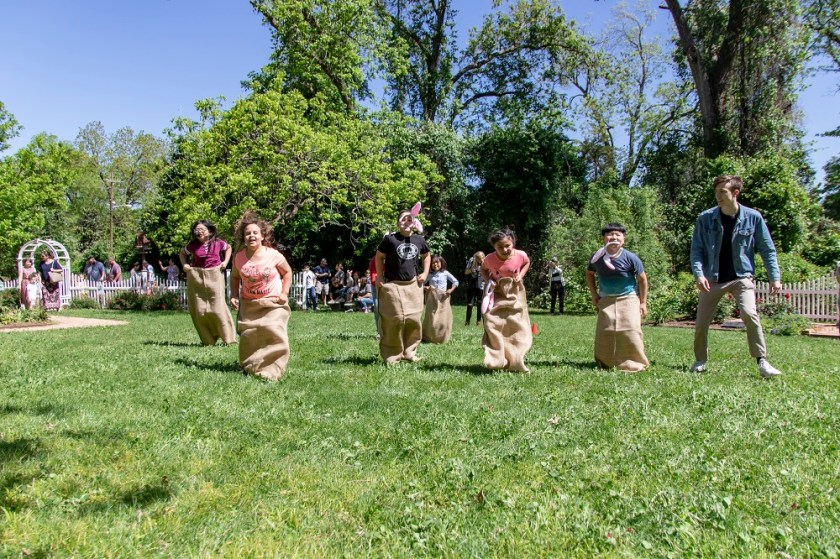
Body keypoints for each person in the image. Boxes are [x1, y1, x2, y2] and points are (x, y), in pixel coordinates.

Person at [690, 175, 783, 378]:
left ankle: (762, 362)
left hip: (741, 277)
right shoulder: (705, 218)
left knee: (750, 314)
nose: (718, 196)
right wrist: (699, 274)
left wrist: (774, 277)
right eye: (716, 192)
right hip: (712, 279)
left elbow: (767, 249)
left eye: (722, 192)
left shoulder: (753, 217)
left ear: (735, 193)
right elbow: (696, 250)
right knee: (701, 323)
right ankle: (700, 361)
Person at [230, 211, 293, 381]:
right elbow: (235, 277)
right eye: (247, 233)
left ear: (262, 235)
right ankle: (251, 366)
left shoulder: (273, 255)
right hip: (249, 304)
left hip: (273, 302)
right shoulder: (239, 258)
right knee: (249, 336)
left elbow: (287, 272)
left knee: (272, 330)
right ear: (243, 238)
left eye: (255, 233)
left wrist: (284, 293)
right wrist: (234, 295)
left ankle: (272, 370)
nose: (251, 236)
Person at [586, 223, 650, 373]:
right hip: (606, 299)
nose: (614, 237)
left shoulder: (631, 258)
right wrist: (594, 295)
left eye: (618, 235)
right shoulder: (597, 258)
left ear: (623, 239)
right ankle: (606, 363)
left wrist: (643, 303)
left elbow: (642, 280)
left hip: (628, 298)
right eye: (610, 234)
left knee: (632, 330)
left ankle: (635, 362)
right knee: (605, 331)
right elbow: (589, 274)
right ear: (603, 238)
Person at [375, 208, 430, 364]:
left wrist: (425, 273)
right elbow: (379, 256)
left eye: (409, 219)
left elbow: (426, 255)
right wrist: (379, 276)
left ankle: (409, 353)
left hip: (413, 286)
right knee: (395, 320)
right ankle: (392, 355)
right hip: (393, 285)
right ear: (398, 223)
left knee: (413, 320)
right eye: (403, 219)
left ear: (414, 222)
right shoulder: (390, 239)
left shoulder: (419, 240)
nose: (406, 222)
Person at [481, 228, 532, 372]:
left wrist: (520, 275)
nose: (504, 249)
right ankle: (496, 357)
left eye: (507, 245)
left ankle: (516, 357)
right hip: (497, 292)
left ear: (513, 243)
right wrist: (489, 281)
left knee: (515, 322)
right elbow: (483, 269)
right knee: (493, 321)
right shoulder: (489, 259)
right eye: (500, 247)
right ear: (494, 247)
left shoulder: (520, 255)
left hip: (514, 292)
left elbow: (527, 262)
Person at [180, 219, 236, 346]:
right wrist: (185, 265)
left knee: (218, 308)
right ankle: (208, 340)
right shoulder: (192, 246)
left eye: (202, 230)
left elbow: (229, 248)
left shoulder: (218, 243)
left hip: (215, 275)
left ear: (209, 231)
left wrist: (225, 262)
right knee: (199, 309)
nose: (199, 232)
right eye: (197, 230)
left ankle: (229, 339)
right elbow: (182, 253)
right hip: (197, 277)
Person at [422, 255, 459, 344]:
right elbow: (421, 283)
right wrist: (426, 288)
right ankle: (429, 336)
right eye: (433, 263)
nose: (435, 265)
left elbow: (455, 282)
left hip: (443, 298)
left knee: (443, 317)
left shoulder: (445, 273)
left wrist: (450, 290)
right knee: (432, 316)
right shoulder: (430, 275)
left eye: (437, 262)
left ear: (441, 263)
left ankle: (442, 336)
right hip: (432, 298)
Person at [464, 251, 485, 326]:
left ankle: (478, 321)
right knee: (470, 304)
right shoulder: (471, 260)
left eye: (482, 259)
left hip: (482, 284)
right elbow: (466, 272)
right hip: (472, 283)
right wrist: (472, 269)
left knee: (480, 302)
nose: (480, 261)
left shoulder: (486, 261)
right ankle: (467, 322)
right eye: (478, 259)